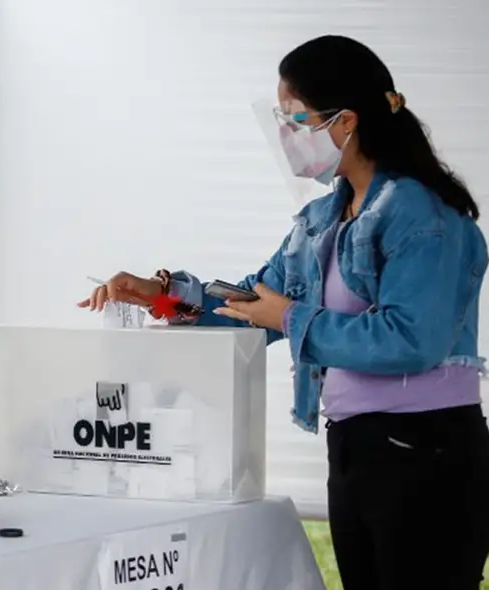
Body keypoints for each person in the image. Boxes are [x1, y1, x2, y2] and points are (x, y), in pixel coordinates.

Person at [81, 35, 489, 590]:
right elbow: (252, 301)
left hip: (427, 453)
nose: (285, 135)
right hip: (355, 447)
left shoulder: (422, 216)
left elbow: (413, 338)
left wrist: (290, 319)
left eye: (294, 119)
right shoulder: (323, 219)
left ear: (345, 122)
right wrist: (158, 294)